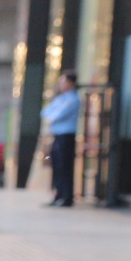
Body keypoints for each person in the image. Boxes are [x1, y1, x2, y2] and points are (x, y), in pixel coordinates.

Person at [41, 72, 79, 207]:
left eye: (63, 82)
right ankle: (58, 195)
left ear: (71, 83)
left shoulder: (73, 99)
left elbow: (57, 115)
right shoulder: (60, 99)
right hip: (56, 136)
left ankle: (67, 197)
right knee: (56, 166)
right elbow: (45, 112)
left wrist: (52, 115)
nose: (61, 85)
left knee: (65, 167)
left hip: (66, 137)